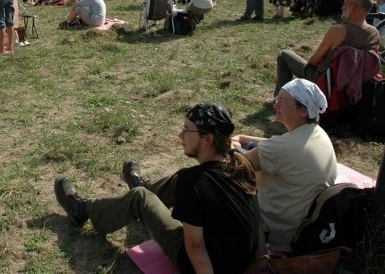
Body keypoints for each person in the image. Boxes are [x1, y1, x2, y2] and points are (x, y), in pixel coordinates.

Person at [54, 102, 260, 273]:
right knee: (179, 181)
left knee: (140, 197)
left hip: (200, 264)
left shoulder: (193, 182)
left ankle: (81, 211)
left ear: (207, 139)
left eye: (187, 130)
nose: (180, 135)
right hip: (238, 262)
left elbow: (195, 247)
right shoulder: (241, 165)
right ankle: (149, 191)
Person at [232, 79, 337, 253]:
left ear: (304, 110)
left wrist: (230, 144)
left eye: (283, 101)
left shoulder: (284, 147)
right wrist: (244, 139)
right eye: (277, 99)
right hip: (304, 216)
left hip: (278, 232)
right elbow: (274, 144)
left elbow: (234, 168)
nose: (275, 105)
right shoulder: (316, 133)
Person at [274, 0, 379, 95]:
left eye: (345, 4)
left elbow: (314, 61)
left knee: (284, 55)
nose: (342, 7)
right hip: (354, 81)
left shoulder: (338, 30)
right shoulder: (374, 32)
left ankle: (282, 98)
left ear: (353, 7)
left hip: (326, 80)